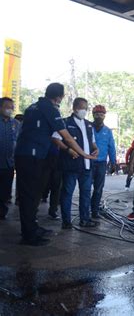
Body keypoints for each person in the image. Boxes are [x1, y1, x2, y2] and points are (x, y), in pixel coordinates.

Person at [15, 83, 96, 246]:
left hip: (27, 156)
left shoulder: (33, 106)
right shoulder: (50, 109)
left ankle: (33, 227)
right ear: (59, 97)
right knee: (30, 196)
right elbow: (66, 137)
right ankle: (29, 234)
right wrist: (84, 154)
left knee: (32, 194)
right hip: (32, 157)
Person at [52, 97, 99, 229]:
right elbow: (56, 139)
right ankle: (66, 221)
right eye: (81, 107)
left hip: (86, 165)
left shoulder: (89, 125)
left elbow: (92, 141)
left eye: (86, 108)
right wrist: (68, 150)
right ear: (74, 108)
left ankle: (85, 219)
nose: (83, 110)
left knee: (85, 193)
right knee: (67, 193)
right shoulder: (65, 122)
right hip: (71, 165)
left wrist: (96, 149)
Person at [90, 105, 116, 218]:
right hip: (88, 161)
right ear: (93, 115)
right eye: (97, 114)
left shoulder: (108, 131)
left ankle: (94, 210)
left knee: (98, 188)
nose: (99, 117)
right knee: (85, 187)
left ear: (104, 116)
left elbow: (111, 147)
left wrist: (113, 162)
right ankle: (85, 210)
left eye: (101, 115)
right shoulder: (87, 127)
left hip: (101, 163)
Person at [0, 97, 20, 220]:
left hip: (9, 164)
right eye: (7, 106)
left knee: (5, 191)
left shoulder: (16, 124)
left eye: (11, 107)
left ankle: (2, 211)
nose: (10, 109)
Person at [38, 142, 62, 220]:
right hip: (46, 156)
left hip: (58, 158)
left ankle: (53, 210)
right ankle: (33, 210)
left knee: (56, 186)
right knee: (41, 185)